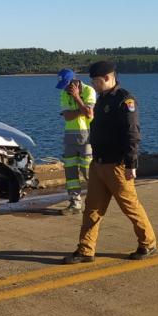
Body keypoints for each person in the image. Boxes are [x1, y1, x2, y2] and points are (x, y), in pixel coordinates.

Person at [64, 60, 157, 264]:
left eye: (96, 82)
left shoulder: (125, 100)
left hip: (117, 165)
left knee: (130, 206)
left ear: (107, 78)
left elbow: (132, 134)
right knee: (92, 208)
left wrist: (131, 164)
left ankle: (148, 243)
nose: (94, 86)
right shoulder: (102, 99)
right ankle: (86, 249)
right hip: (98, 163)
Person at [56, 67, 97, 214]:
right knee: (71, 173)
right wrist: (82, 109)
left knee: (88, 171)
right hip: (70, 138)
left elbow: (89, 114)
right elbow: (67, 116)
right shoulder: (63, 94)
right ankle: (75, 204)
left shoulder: (89, 91)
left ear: (74, 82)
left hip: (87, 138)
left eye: (67, 85)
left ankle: (96, 201)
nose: (66, 88)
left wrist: (77, 98)